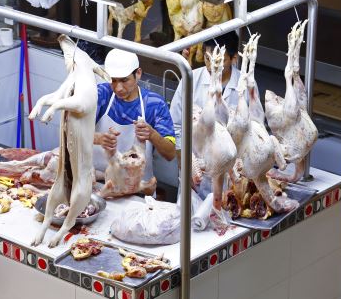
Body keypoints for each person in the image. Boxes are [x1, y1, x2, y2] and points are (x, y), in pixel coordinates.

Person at [170, 31, 259, 203]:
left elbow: (253, 129)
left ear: (234, 59)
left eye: (220, 60)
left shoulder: (246, 84)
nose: (212, 66)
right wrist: (186, 165)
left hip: (233, 171)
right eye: (208, 58)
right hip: (197, 169)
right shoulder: (191, 80)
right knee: (192, 222)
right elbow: (176, 126)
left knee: (227, 218)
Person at [93, 48, 176, 184]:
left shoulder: (155, 104)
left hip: (138, 189)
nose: (118, 88)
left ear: (138, 73)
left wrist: (152, 135)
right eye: (114, 80)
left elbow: (170, 153)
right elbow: (73, 131)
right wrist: (98, 138)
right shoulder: (101, 94)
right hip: (98, 181)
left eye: (124, 80)